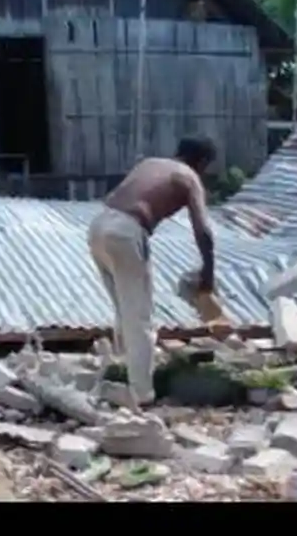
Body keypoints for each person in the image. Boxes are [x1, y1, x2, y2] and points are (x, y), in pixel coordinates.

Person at [89, 135, 217, 406]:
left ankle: (121, 379)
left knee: (125, 311)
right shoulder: (188, 177)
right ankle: (142, 396)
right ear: (202, 162)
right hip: (126, 231)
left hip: (98, 225)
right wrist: (208, 275)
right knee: (140, 318)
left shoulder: (150, 163)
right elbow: (203, 231)